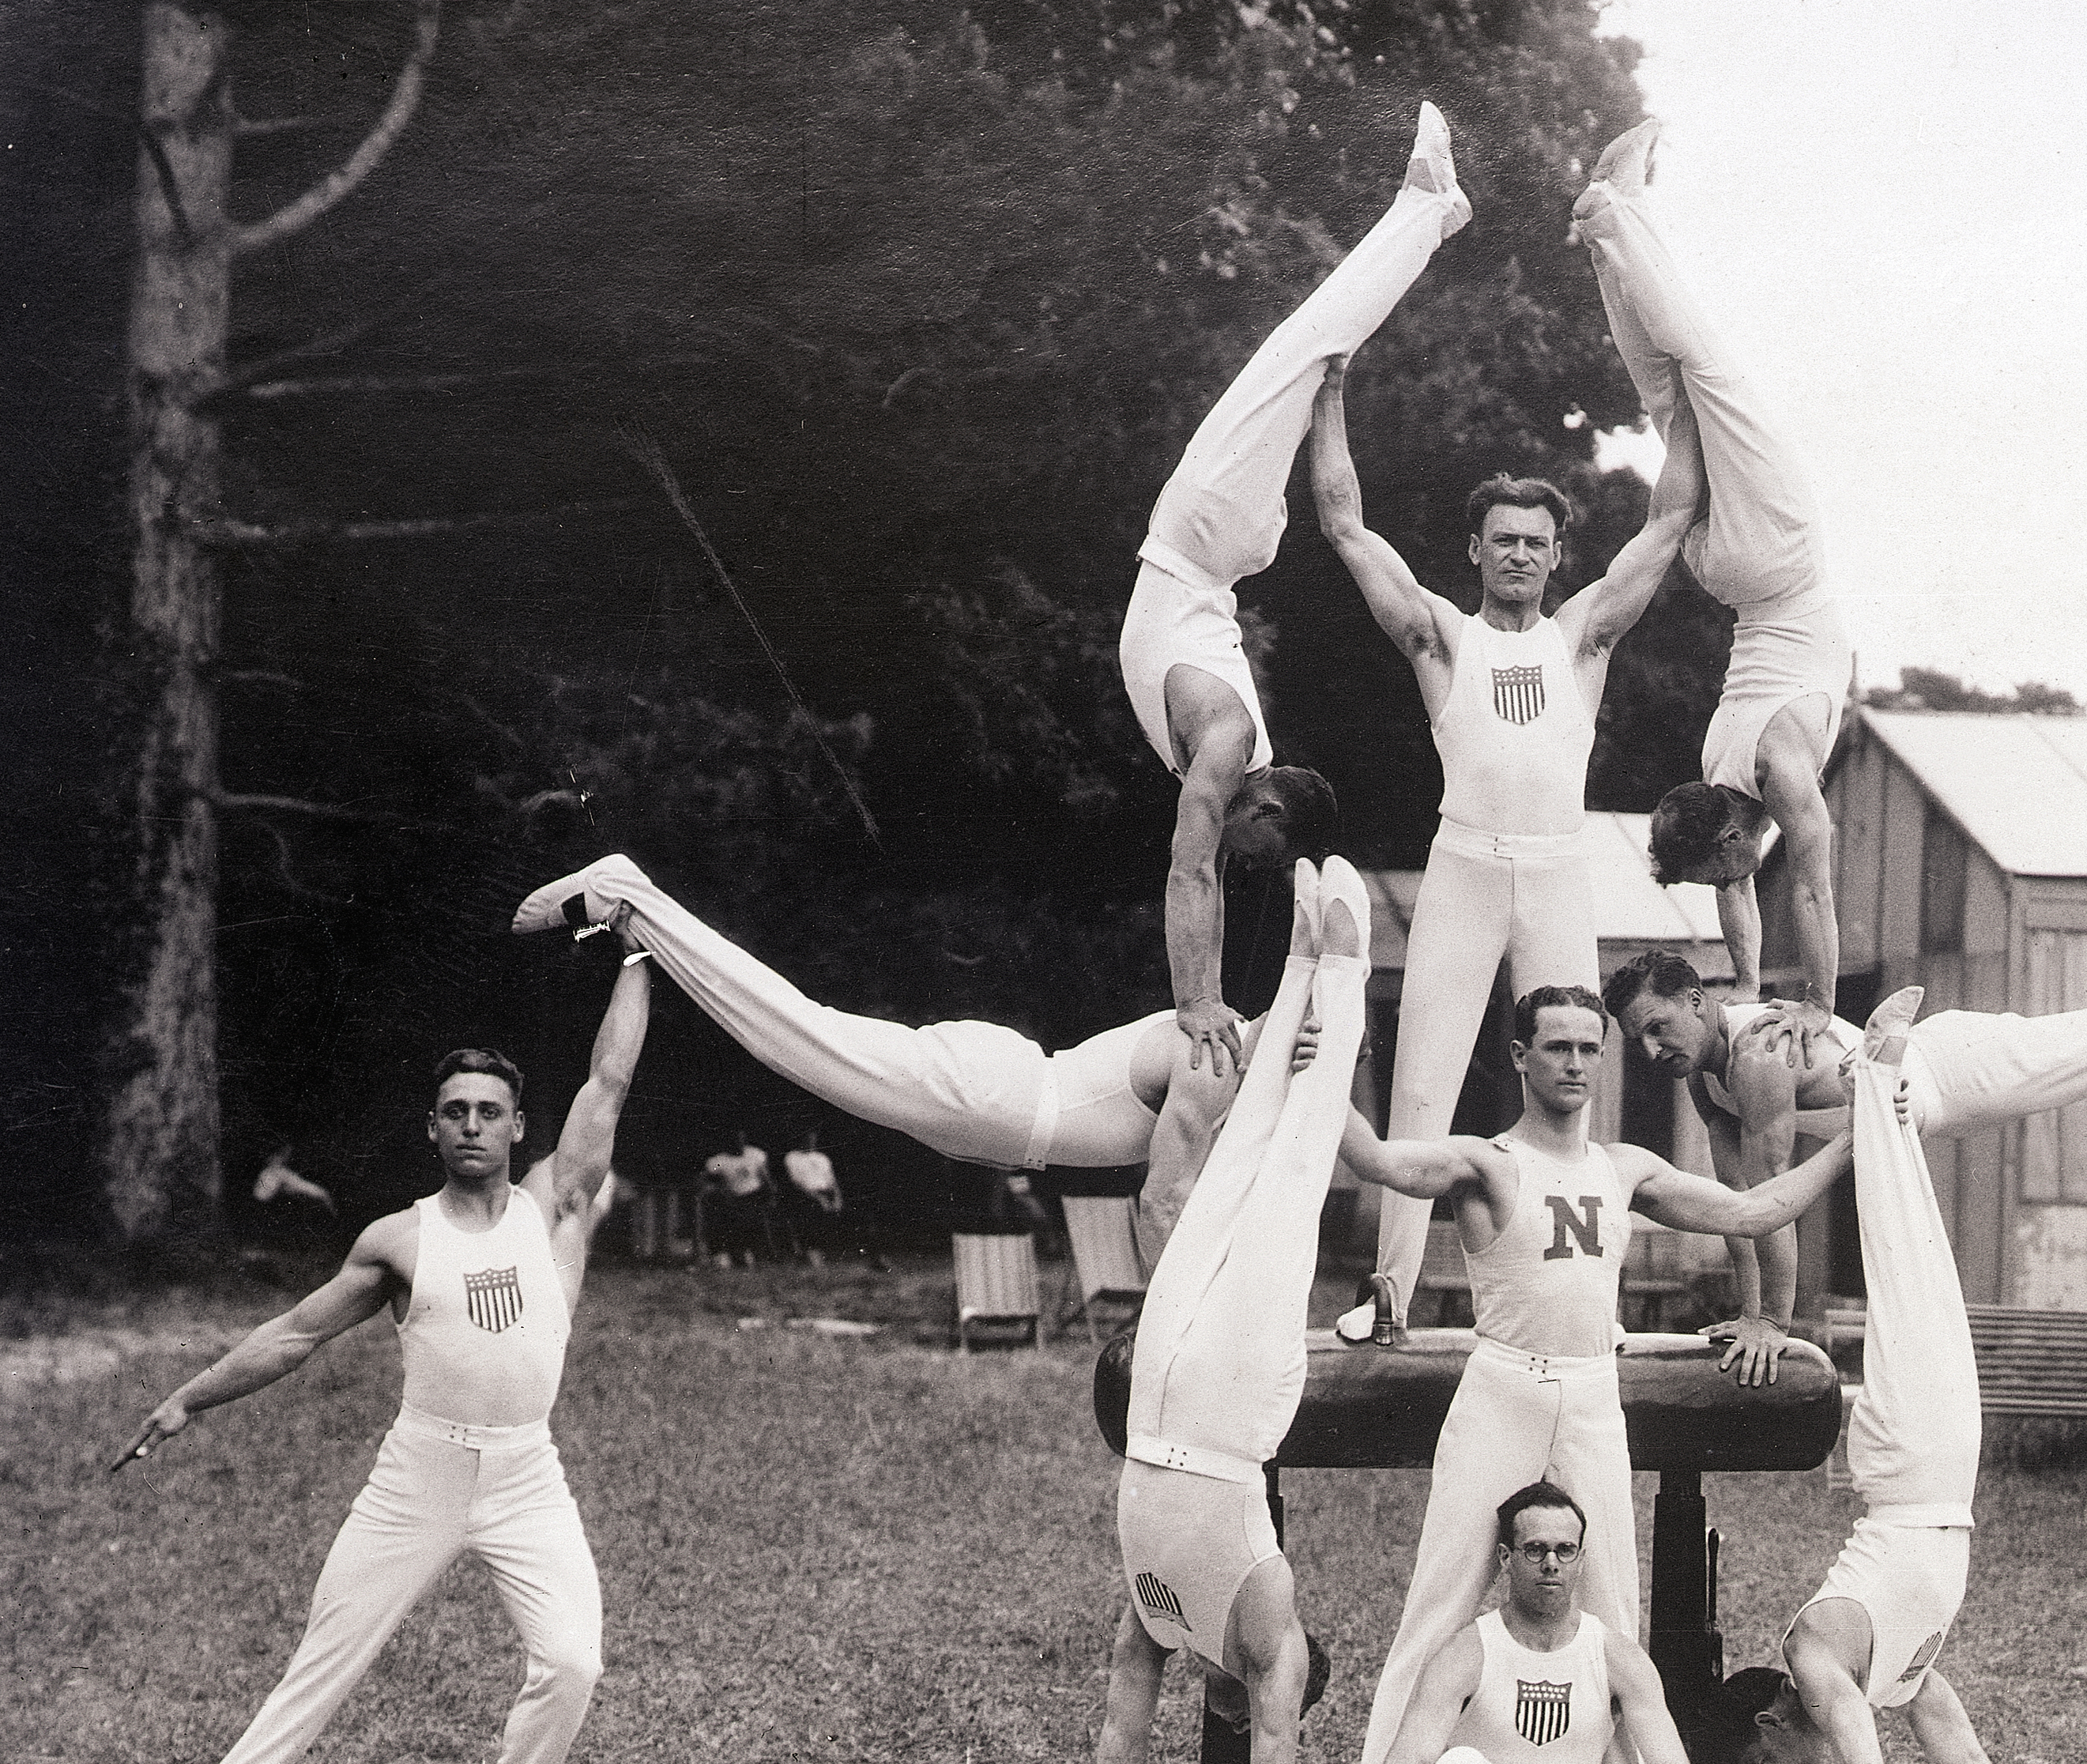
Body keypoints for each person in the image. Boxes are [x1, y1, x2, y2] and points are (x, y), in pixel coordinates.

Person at [1313, 986, 1858, 1764]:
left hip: (1592, 1393)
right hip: (1502, 1387)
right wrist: (1324, 1060)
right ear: (1520, 1057)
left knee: (1610, 1623)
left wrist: (1857, 1134)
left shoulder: (1626, 1167)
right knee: (1436, 1610)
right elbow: (1373, 1156)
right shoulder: (1486, 1163)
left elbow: (1757, 1209)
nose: (1573, 1063)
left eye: (1587, 1048)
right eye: (1555, 1047)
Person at [114, 944, 651, 1764]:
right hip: (420, 1475)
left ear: (521, 1126)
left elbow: (610, 1072)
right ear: (432, 1129)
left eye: (491, 1112)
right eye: (456, 1113)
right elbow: (294, 1333)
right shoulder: (399, 1238)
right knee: (328, 1653)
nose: (474, 1126)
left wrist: (641, 948)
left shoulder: (557, 1203)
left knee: (573, 1660)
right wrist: (186, 1400)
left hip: (527, 1473)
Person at [1310, 292, 1705, 1344]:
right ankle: (1388, 1295)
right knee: (1423, 1083)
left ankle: (1582, 1304)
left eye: (1537, 541)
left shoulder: (1583, 639)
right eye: (1503, 541)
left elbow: (1669, 519)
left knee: (1576, 1075)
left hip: (1558, 869)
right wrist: (1332, 385)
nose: (1521, 555)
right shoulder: (1443, 637)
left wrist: (1685, 390)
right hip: (1467, 866)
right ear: (1475, 552)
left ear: (1558, 554)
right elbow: (1345, 524)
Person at [1603, 930, 2087, 1376]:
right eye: (1636, 1038)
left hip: (1954, 1071)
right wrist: (1752, 1315)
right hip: (1917, 1098)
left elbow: (1775, 1204)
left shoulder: (1757, 1059)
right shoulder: (1705, 1076)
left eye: (1658, 1025)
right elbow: (1740, 1211)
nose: (1649, 1048)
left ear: (1699, 999)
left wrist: (1771, 1319)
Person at [1119, 106, 1461, 1081]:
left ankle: (1424, 213)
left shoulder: (1236, 772)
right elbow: (1192, 871)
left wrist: (1224, 986)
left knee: (1309, 353)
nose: (1242, 855)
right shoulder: (1225, 748)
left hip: (1218, 545)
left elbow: (1211, 876)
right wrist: (1197, 1000)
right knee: (1304, 342)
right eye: (1260, 849)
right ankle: (1426, 209)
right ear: (1265, 806)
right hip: (1203, 538)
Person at [1082, 859, 1373, 1764]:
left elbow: (1123, 1741)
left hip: (1187, 1412)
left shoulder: (1160, 1621)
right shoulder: (1235, 1628)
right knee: (1270, 1176)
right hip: (1163, 1415)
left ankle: (1318, 967)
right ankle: (1319, 968)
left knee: (1268, 1170)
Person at [515, 854, 1256, 1270]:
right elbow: (1162, 1206)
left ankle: (639, 918)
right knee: (791, 1034)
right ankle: (629, 896)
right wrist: (1180, 1333)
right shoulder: (1215, 1057)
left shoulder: (1241, 1058)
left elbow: (1355, 1141)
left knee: (794, 1037)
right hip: (997, 1098)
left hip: (993, 1111)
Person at [1684, 991, 1995, 1764]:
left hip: (1910, 1468)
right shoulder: (1893, 1676)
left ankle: (1876, 1071)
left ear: (1773, 1722)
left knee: (1903, 1269)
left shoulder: (1817, 1661)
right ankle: (1881, 1082)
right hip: (1944, 1478)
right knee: (1921, 1274)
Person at [1573, 119, 1852, 1063]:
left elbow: (1808, 885)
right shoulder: (1721, 776)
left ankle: (1615, 215)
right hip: (1724, 573)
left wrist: (1812, 1000)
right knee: (1675, 393)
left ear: (1728, 830)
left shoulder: (1773, 771)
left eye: (1723, 863)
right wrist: (1743, 989)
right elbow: (1748, 885)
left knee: (1707, 374)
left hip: (1776, 561)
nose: (1732, 878)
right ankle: (1619, 221)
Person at [1378, 1482, 1704, 1764]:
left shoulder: (1616, 1655)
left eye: (1565, 1550)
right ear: (1506, 1559)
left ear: (1581, 1559)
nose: (1551, 1564)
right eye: (1534, 1550)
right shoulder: (1468, 1649)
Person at [699, 1131, 774, 1268]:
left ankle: (760, 1256)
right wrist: (720, 1190)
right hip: (733, 1198)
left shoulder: (754, 1155)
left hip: (755, 1196)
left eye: (740, 1141)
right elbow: (707, 1179)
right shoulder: (720, 1161)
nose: (738, 1145)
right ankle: (735, 1256)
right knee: (731, 1220)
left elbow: (765, 1177)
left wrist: (770, 1195)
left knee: (756, 1222)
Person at [781, 1130, 843, 1267]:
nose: (809, 1142)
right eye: (805, 1139)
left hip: (826, 1193)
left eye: (812, 1139)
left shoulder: (822, 1158)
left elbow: (832, 1181)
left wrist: (837, 1199)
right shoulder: (792, 1157)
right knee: (811, 1222)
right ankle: (812, 1256)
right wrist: (819, 1199)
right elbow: (796, 1183)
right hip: (806, 1196)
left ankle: (833, 1256)